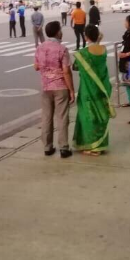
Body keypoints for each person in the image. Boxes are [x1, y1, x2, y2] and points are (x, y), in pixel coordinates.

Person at [34, 21, 75, 159]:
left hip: (46, 87)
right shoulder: (62, 49)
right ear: (57, 33)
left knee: (46, 117)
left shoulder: (40, 48)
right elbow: (66, 71)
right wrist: (71, 90)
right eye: (60, 30)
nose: (61, 32)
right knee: (62, 117)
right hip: (60, 87)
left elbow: (36, 66)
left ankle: (47, 147)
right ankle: (64, 147)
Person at [72, 24, 114, 154]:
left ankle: (91, 146)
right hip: (102, 87)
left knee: (88, 117)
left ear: (85, 37)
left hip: (88, 89)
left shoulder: (82, 53)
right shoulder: (104, 50)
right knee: (101, 115)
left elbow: (75, 67)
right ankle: (100, 145)